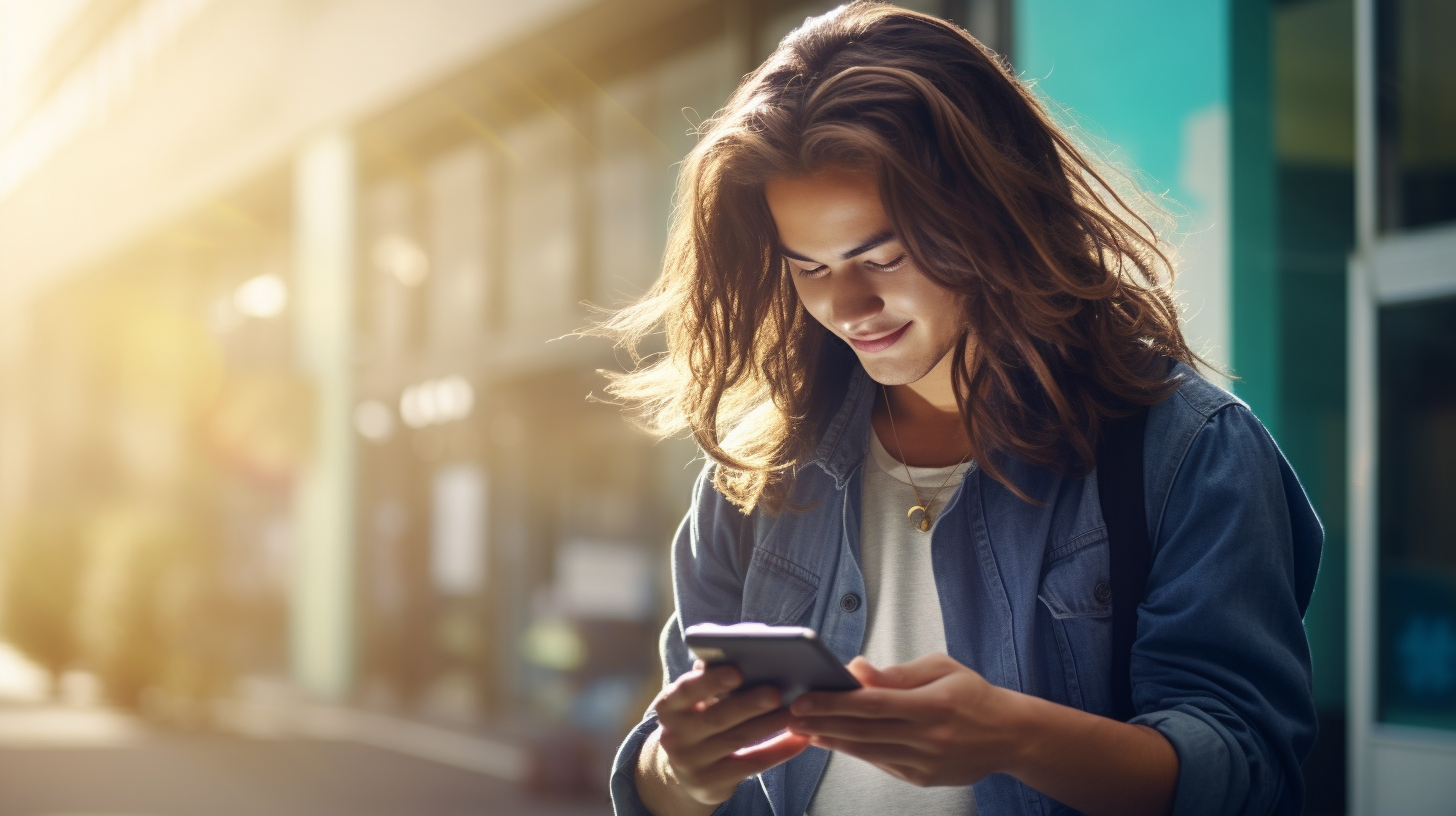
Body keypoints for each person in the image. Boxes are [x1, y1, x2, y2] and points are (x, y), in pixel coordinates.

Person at [599, 3, 1321, 815]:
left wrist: (1020, 739)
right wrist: (681, 772)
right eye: (810, 268)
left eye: (885, 256)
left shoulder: (1189, 453)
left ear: (993, 215)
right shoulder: (757, 474)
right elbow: (674, 777)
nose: (849, 306)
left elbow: (1250, 773)